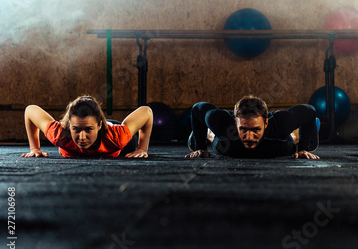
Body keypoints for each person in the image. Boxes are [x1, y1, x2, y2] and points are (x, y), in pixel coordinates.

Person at [185, 95, 320, 159]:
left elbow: (309, 111)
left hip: (275, 137)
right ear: (235, 123)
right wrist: (200, 148)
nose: (249, 137)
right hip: (228, 138)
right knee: (215, 137)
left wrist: (303, 149)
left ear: (266, 124)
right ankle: (209, 133)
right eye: (244, 129)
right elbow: (197, 109)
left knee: (292, 138)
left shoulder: (281, 123)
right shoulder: (220, 121)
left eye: (256, 130)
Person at [21, 95, 153, 158]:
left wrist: (142, 148)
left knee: (132, 141)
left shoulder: (117, 137)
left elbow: (146, 112)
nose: (82, 137)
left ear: (99, 125)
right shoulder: (59, 134)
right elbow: (30, 110)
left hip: (112, 138)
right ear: (68, 126)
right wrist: (34, 148)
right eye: (76, 130)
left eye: (88, 130)